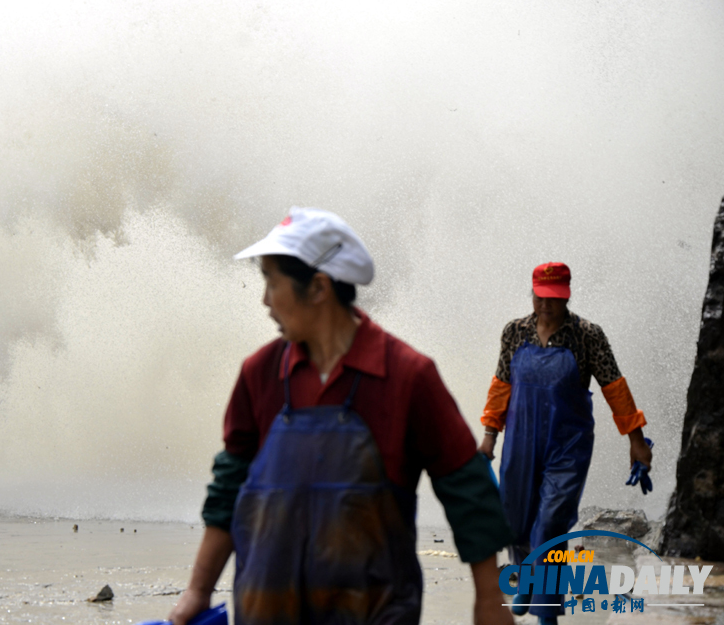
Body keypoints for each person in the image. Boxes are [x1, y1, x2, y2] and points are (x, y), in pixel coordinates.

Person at [169, 208, 514, 625]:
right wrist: (197, 592)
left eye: (272, 283)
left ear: (317, 288)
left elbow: (467, 489)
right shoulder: (260, 374)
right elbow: (229, 489)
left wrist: (489, 601)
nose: (264, 300)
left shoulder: (406, 375)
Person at [477, 262, 654, 625]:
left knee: (550, 526)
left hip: (567, 445)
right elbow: (501, 386)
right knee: (514, 521)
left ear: (567, 295)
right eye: (541, 297)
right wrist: (489, 437)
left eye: (554, 298)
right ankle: (526, 575)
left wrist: (635, 440)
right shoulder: (515, 332)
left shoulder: (588, 335)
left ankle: (547, 616)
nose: (546, 305)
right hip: (521, 443)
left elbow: (614, 388)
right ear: (532, 293)